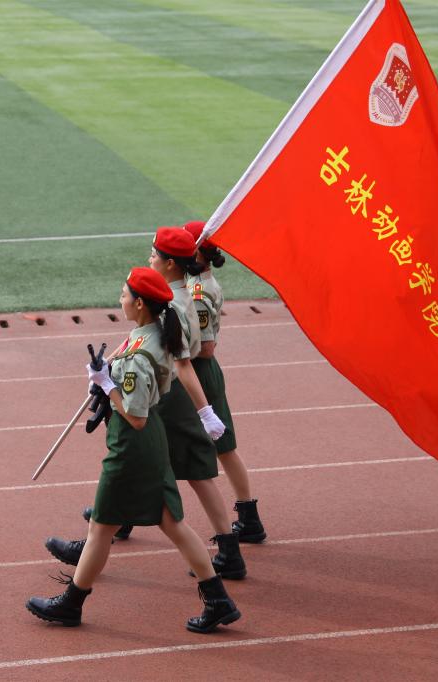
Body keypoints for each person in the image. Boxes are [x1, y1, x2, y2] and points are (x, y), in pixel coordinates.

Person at [26, 267, 241, 633]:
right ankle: (218, 600)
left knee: (101, 526)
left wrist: (107, 385)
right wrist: (107, 375)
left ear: (140, 304)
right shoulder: (152, 333)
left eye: (124, 295)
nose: (120, 299)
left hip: (132, 445)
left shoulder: (141, 353)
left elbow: (135, 416)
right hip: (149, 441)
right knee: (170, 523)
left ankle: (72, 604)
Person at [46, 228, 247, 580]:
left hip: (170, 398)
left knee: (189, 472)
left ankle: (226, 551)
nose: (150, 258)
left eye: (154, 254)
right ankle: (113, 526)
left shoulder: (176, 304)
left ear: (169, 264)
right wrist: (112, 367)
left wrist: (204, 412)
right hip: (165, 393)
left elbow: (183, 363)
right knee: (165, 472)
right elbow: (143, 341)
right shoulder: (169, 295)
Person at [183, 220, 266, 543]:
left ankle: (249, 518)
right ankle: (249, 518)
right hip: (196, 370)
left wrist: (174, 347)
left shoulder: (198, 292)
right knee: (222, 447)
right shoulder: (196, 283)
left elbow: (205, 347)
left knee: (223, 445)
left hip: (198, 371)